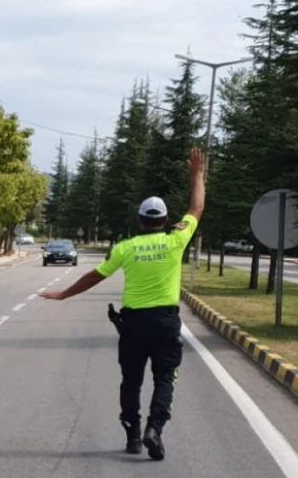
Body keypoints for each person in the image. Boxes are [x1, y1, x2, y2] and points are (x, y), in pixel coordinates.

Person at [41, 147, 206, 461]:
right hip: (165, 322)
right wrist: (197, 174)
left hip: (132, 325)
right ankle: (154, 429)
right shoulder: (176, 239)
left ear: (140, 220)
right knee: (165, 378)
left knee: (131, 381)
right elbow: (196, 208)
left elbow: (95, 276)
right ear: (166, 220)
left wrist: (65, 294)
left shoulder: (125, 248)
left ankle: (132, 435)